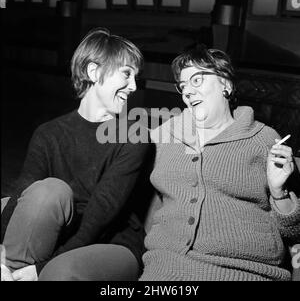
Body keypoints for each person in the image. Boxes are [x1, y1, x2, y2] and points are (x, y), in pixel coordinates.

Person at [1, 27, 152, 281]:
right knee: (49, 190)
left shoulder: (133, 135)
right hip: (55, 235)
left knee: (59, 274)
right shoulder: (49, 133)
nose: (134, 86)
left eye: (136, 77)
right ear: (93, 72)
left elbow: (101, 214)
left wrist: (41, 269)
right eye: (127, 74)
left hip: (113, 242)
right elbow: (22, 194)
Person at [139, 44, 300, 281]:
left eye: (196, 81)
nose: (188, 92)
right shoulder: (164, 137)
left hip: (245, 272)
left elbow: (293, 232)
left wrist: (279, 192)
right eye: (182, 86)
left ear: (225, 84)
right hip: (168, 268)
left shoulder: (264, 140)